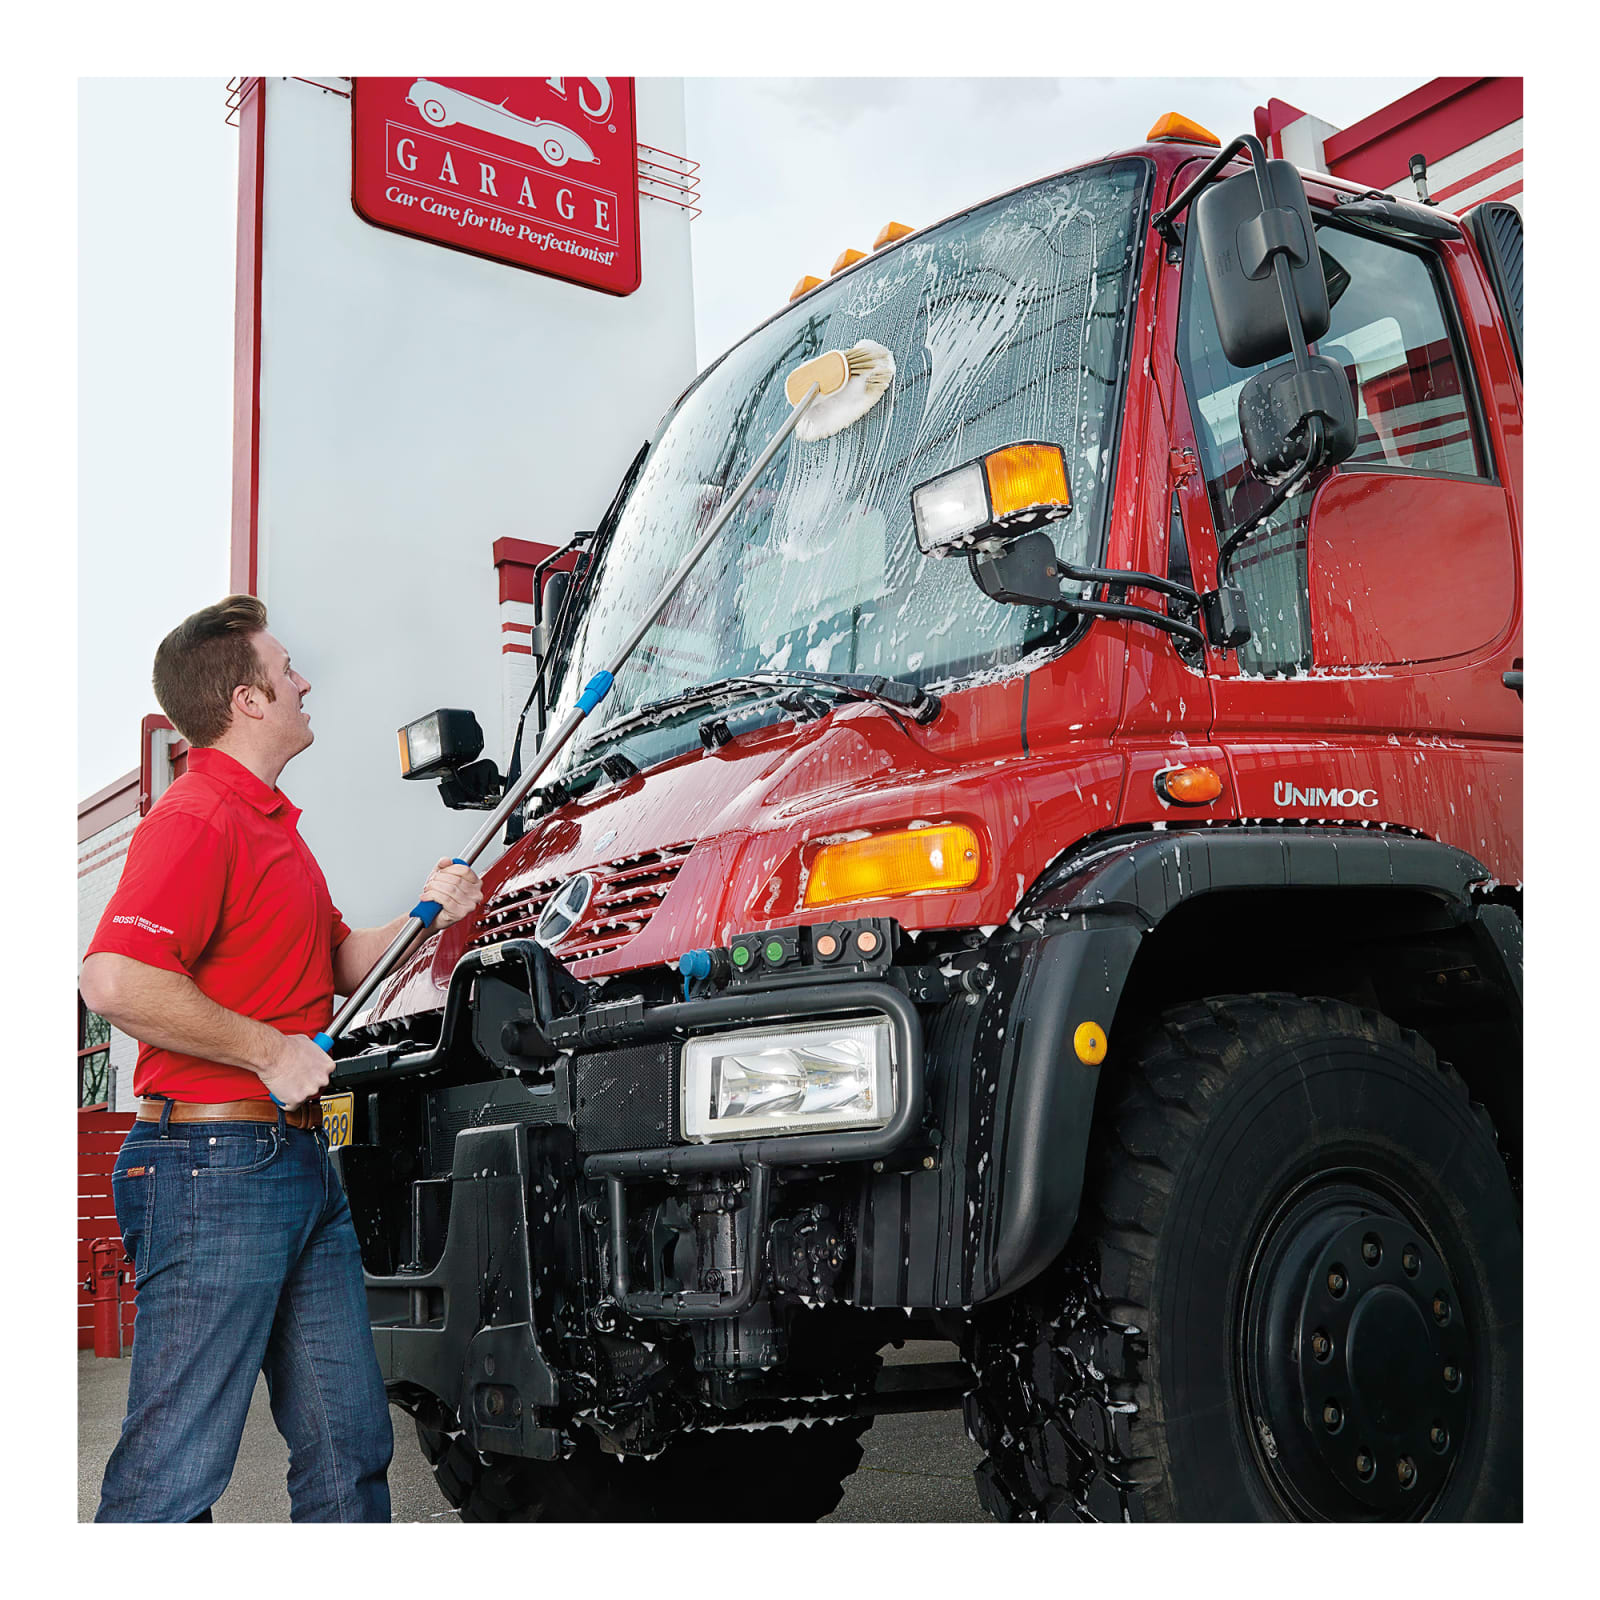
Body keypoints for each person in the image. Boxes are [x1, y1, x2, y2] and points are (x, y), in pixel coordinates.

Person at [80, 595, 482, 1522]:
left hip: (295, 1162)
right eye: (287, 667)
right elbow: (112, 980)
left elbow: (341, 963)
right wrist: (267, 1050)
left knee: (349, 1449)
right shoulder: (198, 817)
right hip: (211, 1169)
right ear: (246, 700)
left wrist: (429, 914)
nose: (303, 679)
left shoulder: (274, 828)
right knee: (173, 1475)